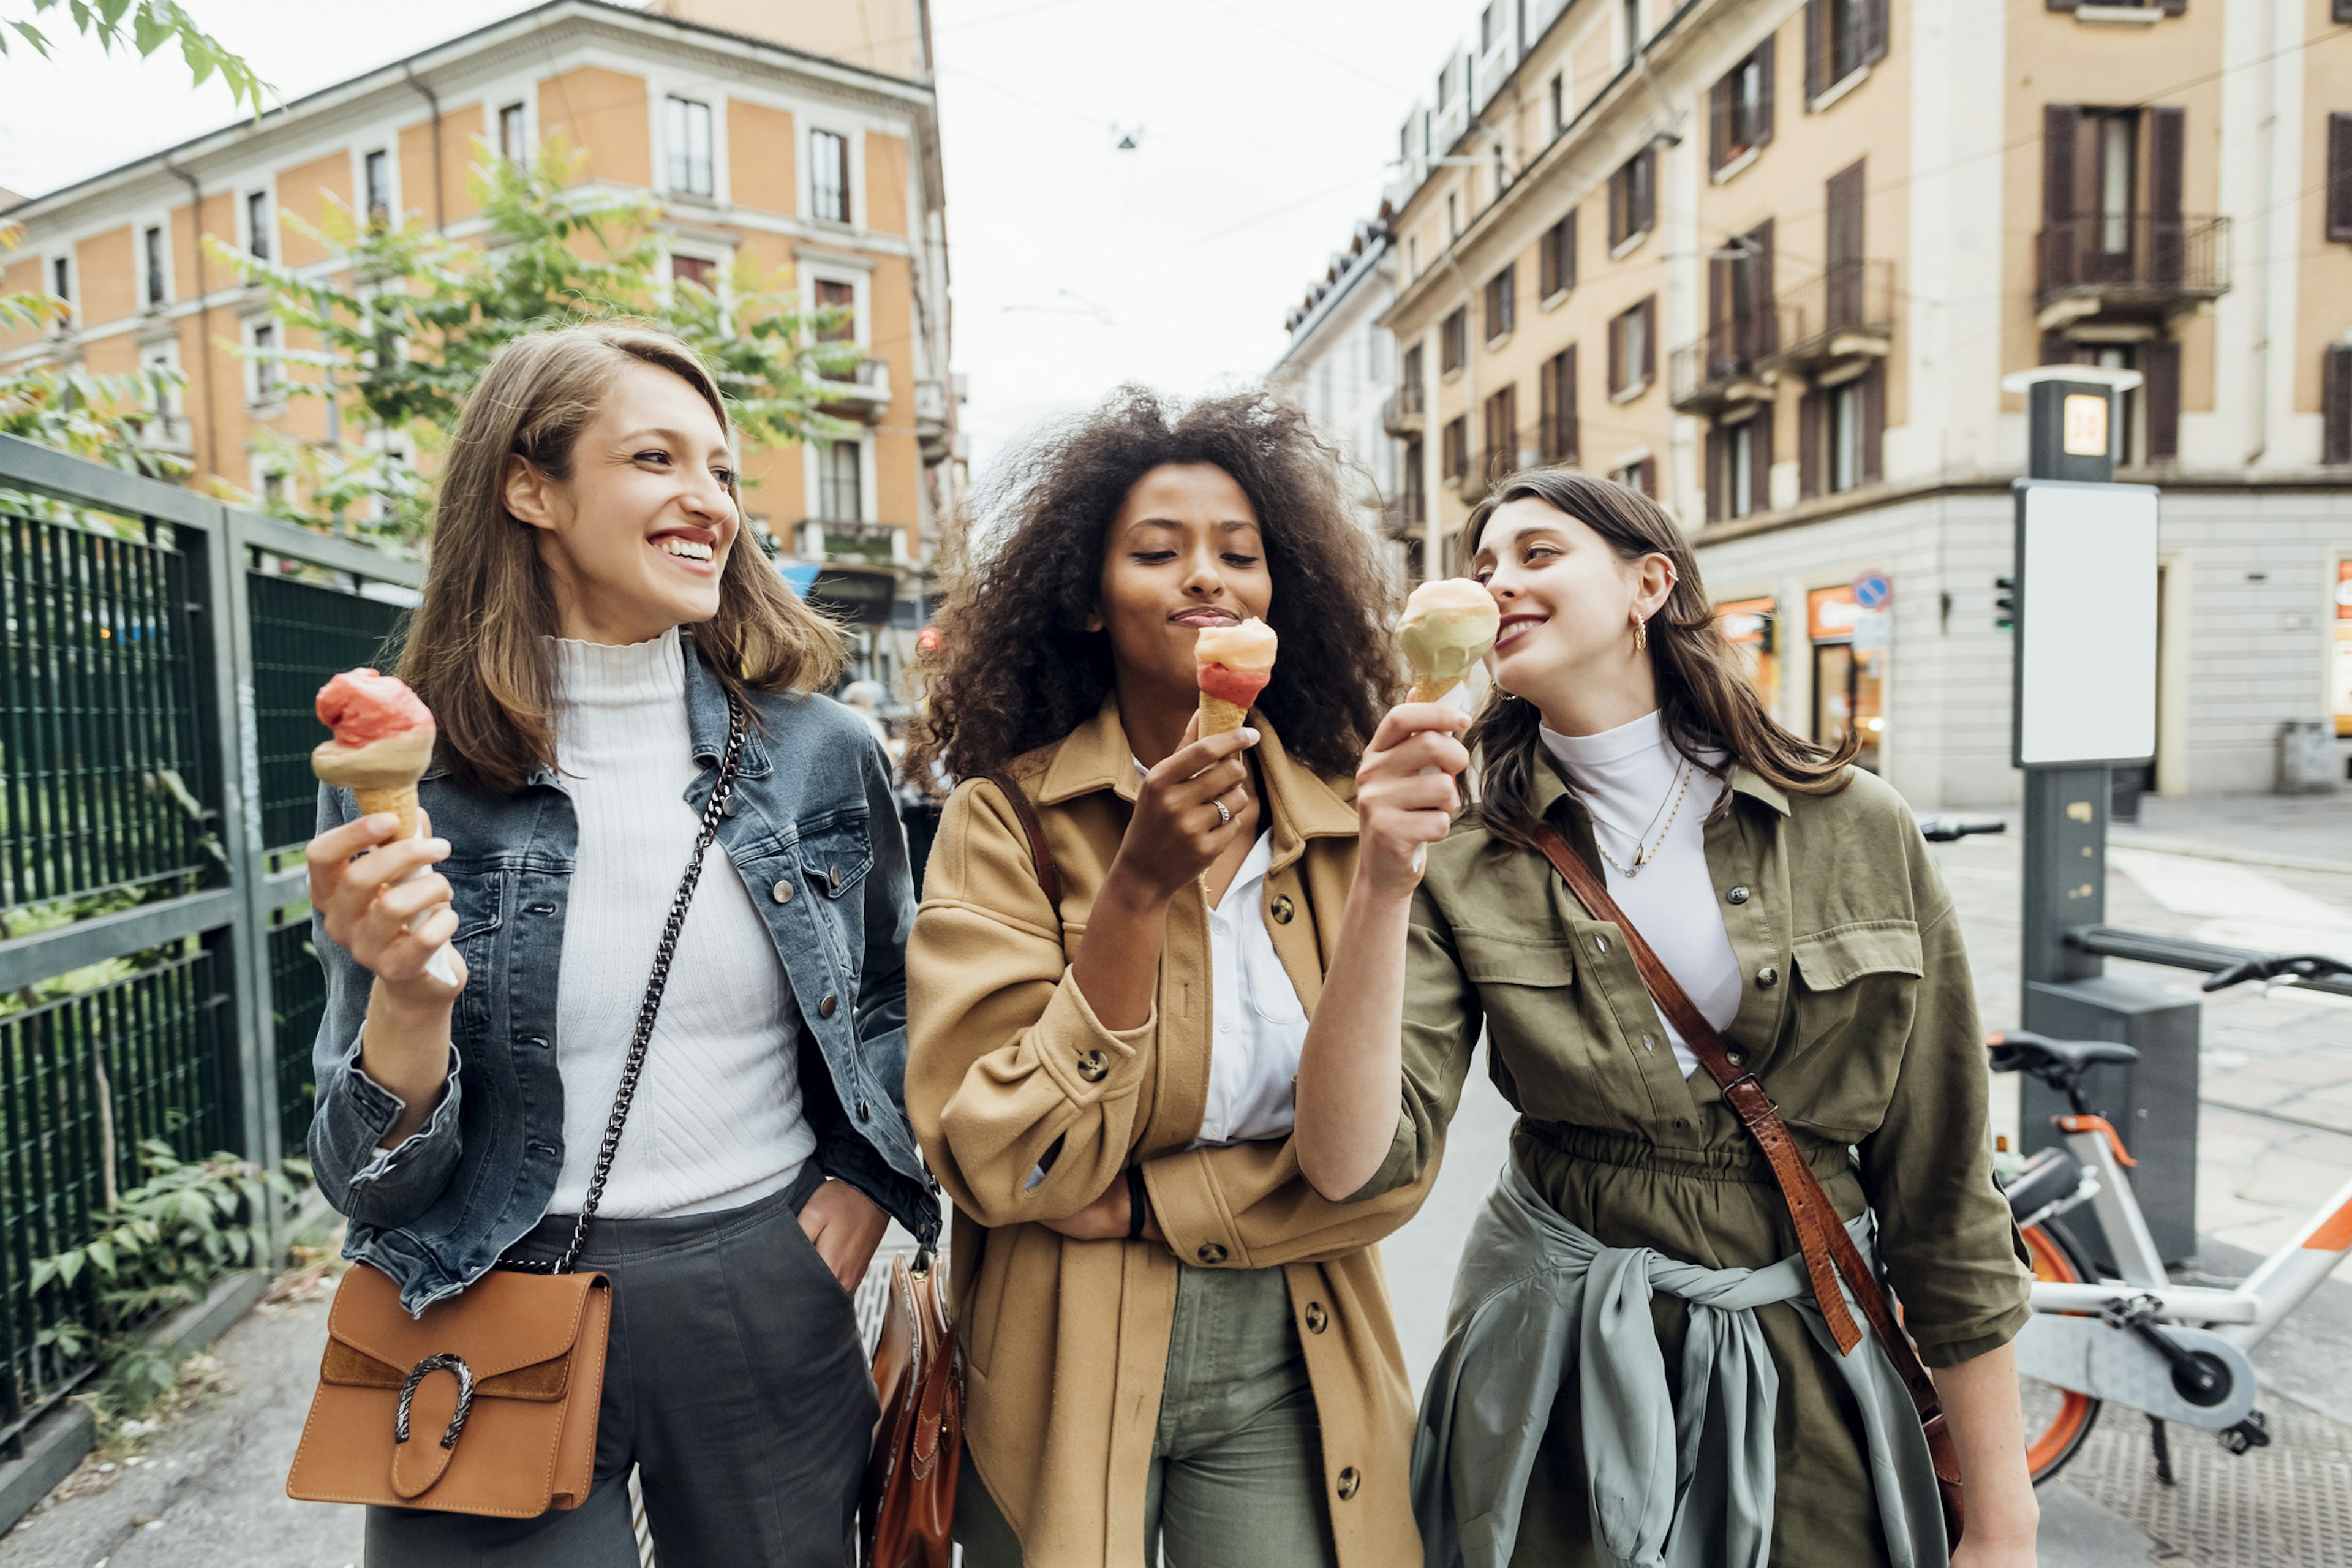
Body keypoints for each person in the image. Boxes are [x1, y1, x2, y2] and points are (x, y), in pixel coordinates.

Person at [1292, 469, 2040, 1568]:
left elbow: (1943, 1188)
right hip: (1552, 1364)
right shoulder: (1456, 844)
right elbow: (1350, 1160)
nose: (1499, 582)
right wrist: (1378, 882)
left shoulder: (1852, 822)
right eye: (1483, 564)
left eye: (1539, 555)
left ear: (1650, 583)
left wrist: (2006, 1520)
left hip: (1808, 1356)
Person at [303, 323, 937, 1567]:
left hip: (764, 1288)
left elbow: (892, 1008)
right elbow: (359, 1174)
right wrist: (410, 1009)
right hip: (486, 1290)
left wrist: (871, 1187)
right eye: (656, 458)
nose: (708, 502)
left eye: (724, 472)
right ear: (529, 486)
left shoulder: (823, 755)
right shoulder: (406, 789)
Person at [903, 388, 1438, 1568]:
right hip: (1058, 1352)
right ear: (1088, 603)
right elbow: (994, 1159)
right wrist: (1136, 893)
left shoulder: (1357, 831)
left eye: (1239, 555)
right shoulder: (1007, 826)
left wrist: (1151, 1208)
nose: (1208, 578)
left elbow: (1393, 1169)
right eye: (1158, 552)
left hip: (1296, 1348)